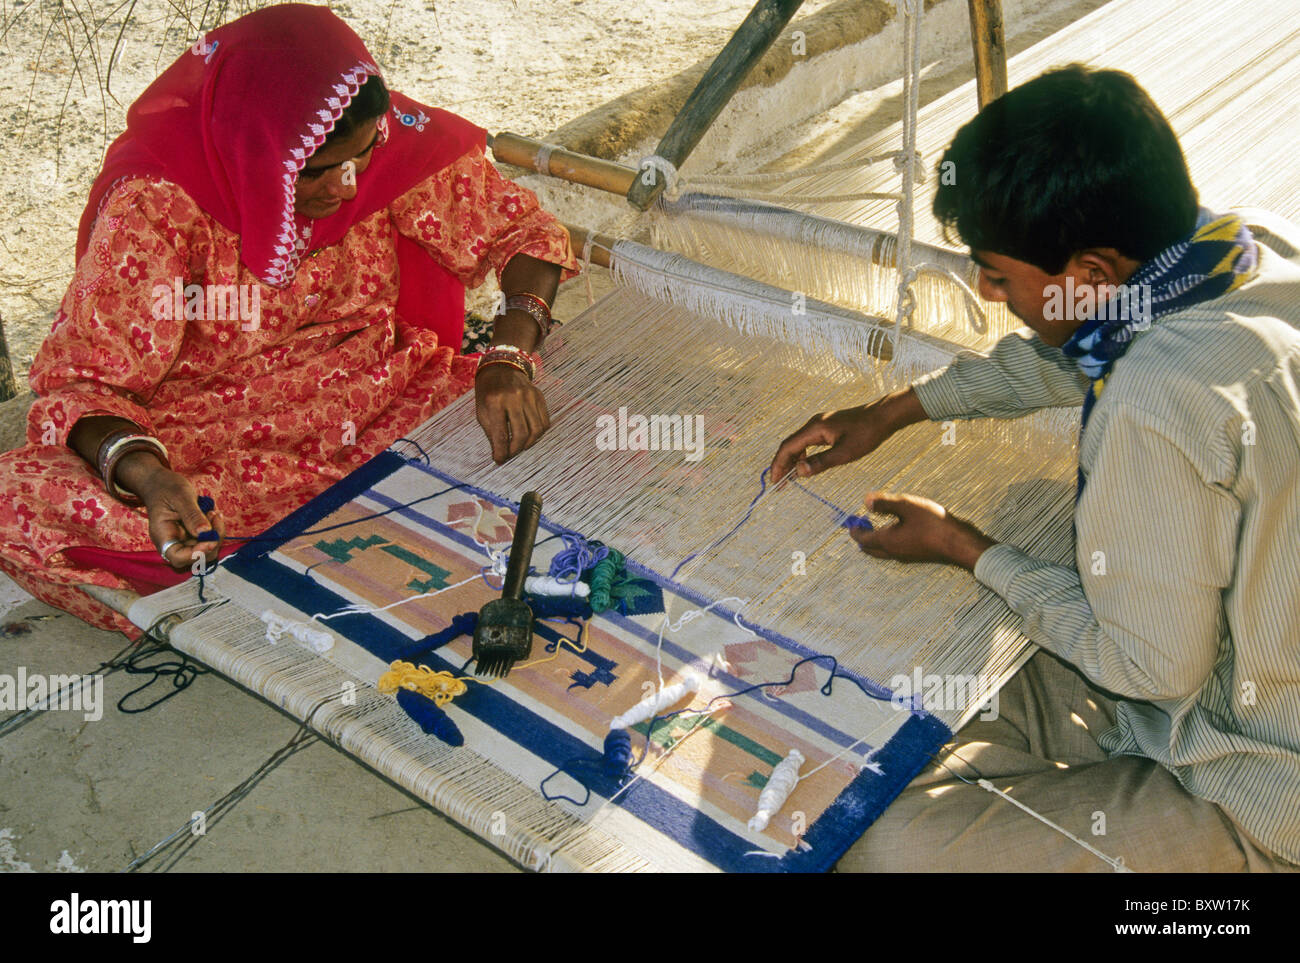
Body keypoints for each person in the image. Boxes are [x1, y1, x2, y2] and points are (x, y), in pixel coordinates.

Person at [770, 64, 1300, 871]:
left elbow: (1150, 667)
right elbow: (1068, 358)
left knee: (880, 843)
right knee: (890, 741)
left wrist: (967, 548)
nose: (987, 292)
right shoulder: (1247, 251)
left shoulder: (1154, 398)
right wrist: (890, 412)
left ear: (1090, 272)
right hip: (1222, 666)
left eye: (998, 272)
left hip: (1260, 779)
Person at [0, 4, 578, 636]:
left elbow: (526, 236)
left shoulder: (383, 138)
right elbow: (86, 383)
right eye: (315, 170)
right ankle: (335, 565)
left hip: (379, 404)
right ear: (256, 153)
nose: (350, 188)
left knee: (565, 427)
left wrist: (507, 359)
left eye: (358, 159)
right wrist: (151, 476)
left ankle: (275, 586)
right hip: (210, 440)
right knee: (20, 499)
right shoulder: (155, 205)